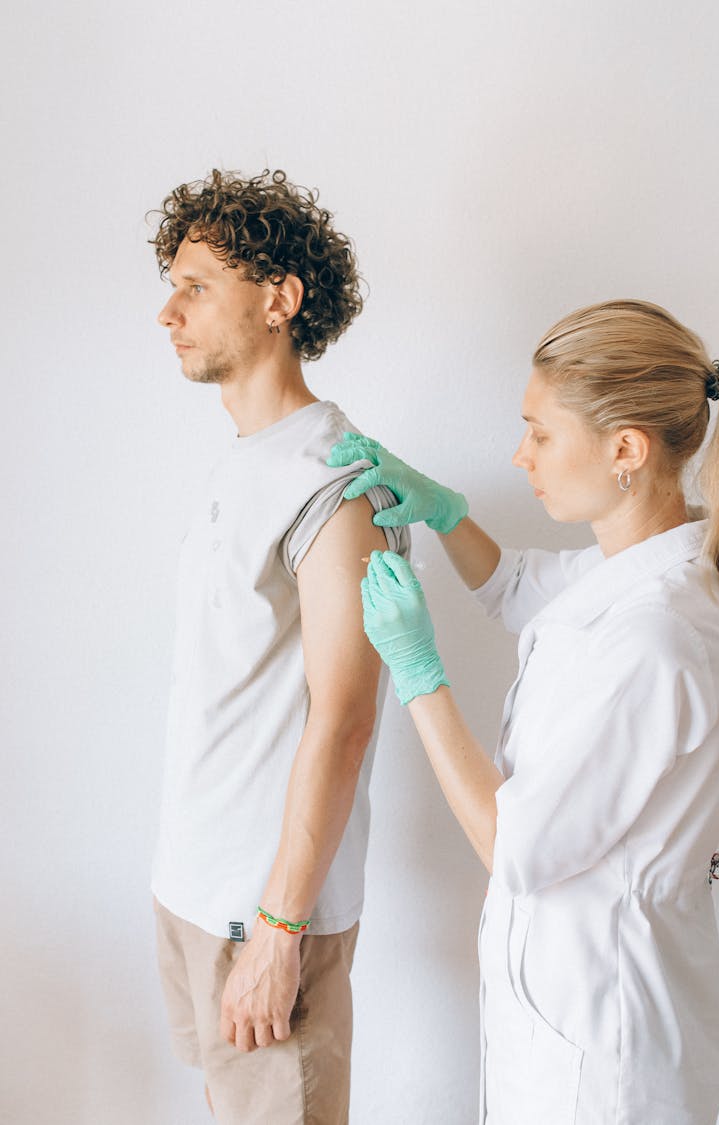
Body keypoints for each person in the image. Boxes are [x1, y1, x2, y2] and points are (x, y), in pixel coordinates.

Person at [328, 299, 719, 1124]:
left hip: (610, 1055)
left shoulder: (655, 637)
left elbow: (513, 844)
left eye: (541, 433)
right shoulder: (643, 566)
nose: (521, 455)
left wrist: (420, 675)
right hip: (572, 1018)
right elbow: (524, 589)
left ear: (625, 449)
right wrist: (447, 513)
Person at [149, 168, 408, 1125]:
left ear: (278, 300)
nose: (168, 312)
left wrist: (279, 929)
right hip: (193, 889)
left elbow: (344, 720)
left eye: (195, 285)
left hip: (260, 916)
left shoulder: (332, 481)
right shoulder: (245, 463)